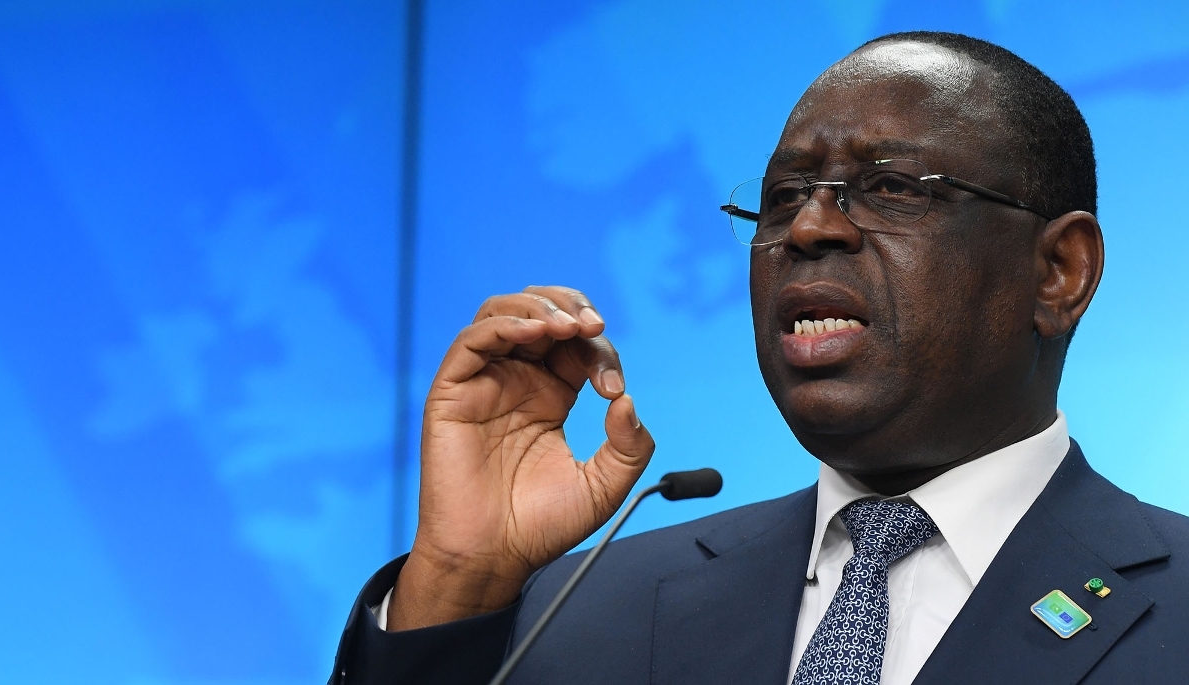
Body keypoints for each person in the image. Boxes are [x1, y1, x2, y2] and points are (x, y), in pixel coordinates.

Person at [329, 31, 1189, 684]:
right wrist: (461, 579)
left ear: (1058, 270)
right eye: (782, 197)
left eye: (890, 187)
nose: (807, 228)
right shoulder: (584, 607)